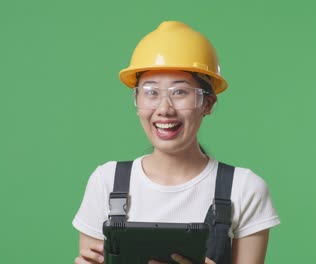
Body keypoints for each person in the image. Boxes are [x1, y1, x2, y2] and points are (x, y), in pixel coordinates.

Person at [72, 21, 280, 264]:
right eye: (151, 91)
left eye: (179, 92)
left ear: (208, 104)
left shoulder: (244, 189)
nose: (164, 109)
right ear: (136, 100)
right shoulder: (106, 182)